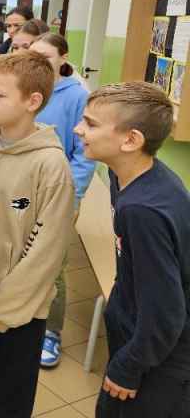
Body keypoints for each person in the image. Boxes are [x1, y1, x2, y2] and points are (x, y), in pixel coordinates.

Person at [0, 51, 75, 418]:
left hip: (17, 313)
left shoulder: (51, 166)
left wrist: (3, 309)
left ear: (32, 101)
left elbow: (46, 253)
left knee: (10, 403)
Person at [74, 82, 190, 417]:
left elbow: (166, 313)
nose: (79, 129)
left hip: (159, 357)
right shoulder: (123, 175)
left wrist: (129, 365)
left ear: (131, 140)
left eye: (91, 123)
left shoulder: (142, 211)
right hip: (140, 335)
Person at [29, 33, 96, 368]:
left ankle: (51, 333)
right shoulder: (27, 88)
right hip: (23, 192)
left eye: (45, 56)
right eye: (33, 55)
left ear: (63, 57)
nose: (37, 61)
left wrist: (70, 195)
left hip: (60, 194)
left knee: (52, 265)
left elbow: (84, 155)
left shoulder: (77, 97)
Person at [0, 19, 49, 118]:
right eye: (15, 47)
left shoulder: (54, 85)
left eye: (26, 47)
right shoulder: (6, 75)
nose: (19, 53)